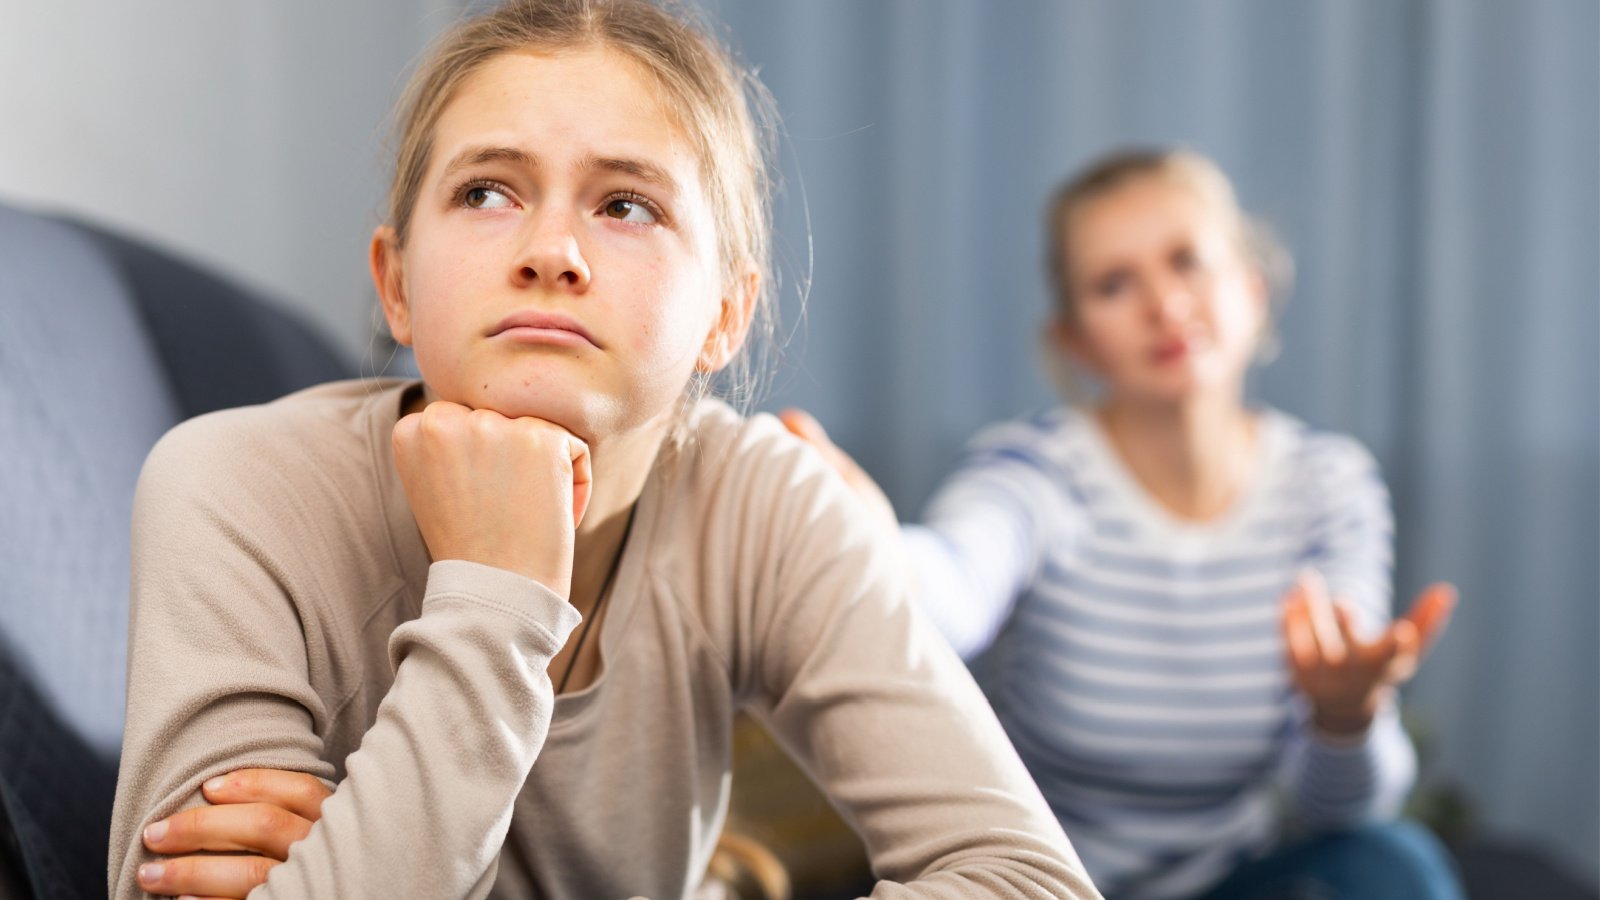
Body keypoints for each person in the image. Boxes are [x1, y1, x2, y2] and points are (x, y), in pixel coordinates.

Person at [105, 2, 1102, 898]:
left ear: (725, 316)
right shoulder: (234, 486)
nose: (551, 251)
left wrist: (346, 864)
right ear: (395, 282)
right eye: (488, 191)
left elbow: (1026, 880)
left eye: (626, 205)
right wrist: (491, 598)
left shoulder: (770, 503)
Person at [780, 149, 1463, 900]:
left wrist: (1346, 715)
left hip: (1233, 882)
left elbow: (1340, 806)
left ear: (1253, 289)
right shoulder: (1033, 472)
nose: (1165, 305)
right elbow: (955, 584)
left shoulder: (1330, 486)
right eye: (1113, 284)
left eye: (1188, 262)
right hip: (1045, 884)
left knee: (1392, 862)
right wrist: (879, 556)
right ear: (1076, 341)